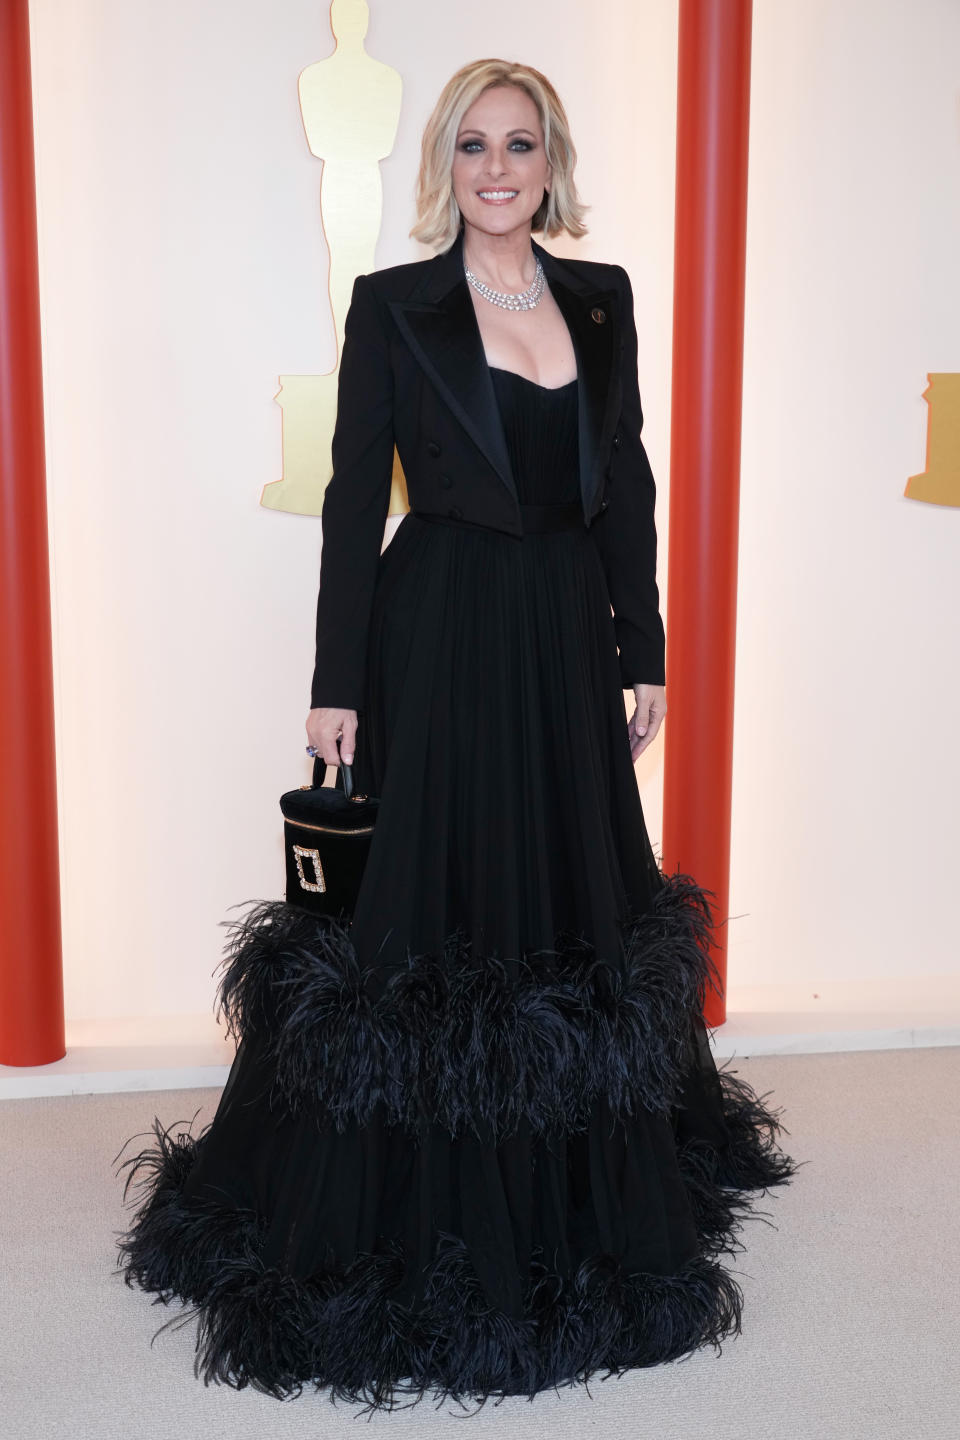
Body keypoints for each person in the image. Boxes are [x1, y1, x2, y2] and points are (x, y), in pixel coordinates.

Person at [116, 58, 798, 1413]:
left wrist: (641, 644)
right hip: (435, 633)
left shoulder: (600, 299)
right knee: (423, 912)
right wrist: (335, 676)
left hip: (561, 635)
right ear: (447, 162)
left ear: (553, 163)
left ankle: (582, 1178)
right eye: (477, 145)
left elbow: (630, 489)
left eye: (522, 144)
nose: (500, 167)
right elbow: (350, 500)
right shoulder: (395, 306)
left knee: (571, 893)